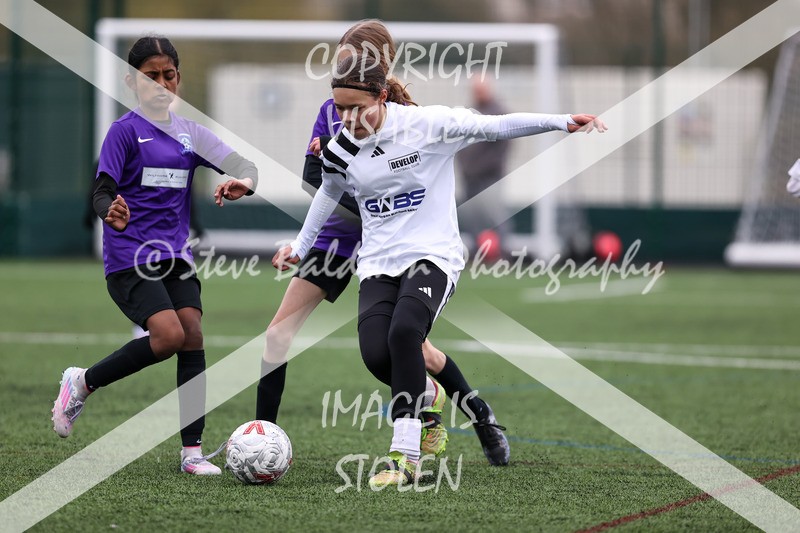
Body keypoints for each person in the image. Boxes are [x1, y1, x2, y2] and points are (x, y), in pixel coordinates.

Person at [273, 56, 606, 488]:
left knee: (404, 334)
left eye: (358, 108)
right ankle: (473, 410)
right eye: (341, 109)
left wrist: (560, 122)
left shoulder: (428, 125)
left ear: (382, 96)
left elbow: (495, 126)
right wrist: (300, 247)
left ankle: (405, 457)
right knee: (377, 356)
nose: (349, 119)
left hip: (433, 255)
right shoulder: (340, 148)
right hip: (378, 262)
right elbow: (328, 192)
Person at [257, 19, 511, 466]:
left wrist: (379, 200)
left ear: (380, 66)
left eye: (353, 60)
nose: (343, 68)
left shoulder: (406, 118)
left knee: (413, 348)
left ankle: (478, 416)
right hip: (337, 242)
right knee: (277, 335)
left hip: (395, 248)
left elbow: (414, 184)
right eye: (340, 60)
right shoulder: (333, 110)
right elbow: (315, 179)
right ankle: (263, 440)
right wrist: (340, 171)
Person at [51, 35, 258, 476]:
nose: (161, 84)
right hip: (129, 258)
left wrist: (243, 182)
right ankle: (82, 382)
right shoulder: (124, 132)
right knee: (167, 337)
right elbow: (102, 189)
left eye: (169, 75)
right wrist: (109, 209)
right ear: (132, 82)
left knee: (192, 335)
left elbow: (244, 166)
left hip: (175, 258)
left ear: (178, 78)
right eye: (151, 77)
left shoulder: (191, 134)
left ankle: (192, 454)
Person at [456, 78, 511, 261]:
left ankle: (502, 252)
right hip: (469, 177)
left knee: (494, 215)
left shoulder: (498, 113)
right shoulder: (470, 112)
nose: (478, 93)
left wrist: (484, 166)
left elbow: (503, 146)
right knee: (473, 216)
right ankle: (478, 252)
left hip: (489, 176)